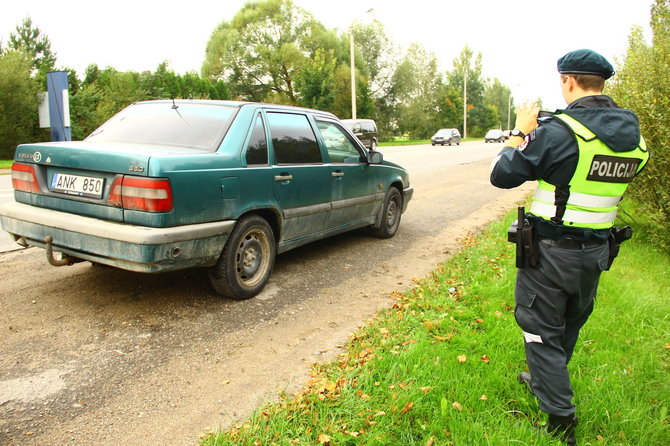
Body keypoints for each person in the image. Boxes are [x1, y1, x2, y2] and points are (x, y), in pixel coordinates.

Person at [490, 49, 649, 444]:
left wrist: (520, 133)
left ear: (569, 82)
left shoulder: (562, 132)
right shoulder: (633, 139)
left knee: (540, 331)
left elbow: (503, 174)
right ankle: (545, 380)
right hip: (596, 253)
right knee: (568, 323)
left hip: (550, 254)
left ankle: (561, 422)